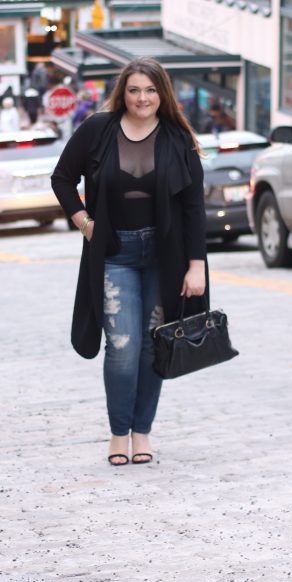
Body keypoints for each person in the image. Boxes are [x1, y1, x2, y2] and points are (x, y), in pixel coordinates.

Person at [50, 57, 207, 467]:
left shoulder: (177, 138)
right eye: (135, 90)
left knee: (152, 348)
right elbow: (62, 178)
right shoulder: (97, 130)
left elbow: (193, 207)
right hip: (115, 254)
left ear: (163, 94)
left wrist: (197, 265)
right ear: (124, 92)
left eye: (151, 90)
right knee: (122, 346)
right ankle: (119, 434)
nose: (143, 98)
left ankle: (143, 432)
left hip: (164, 256)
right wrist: (85, 223)